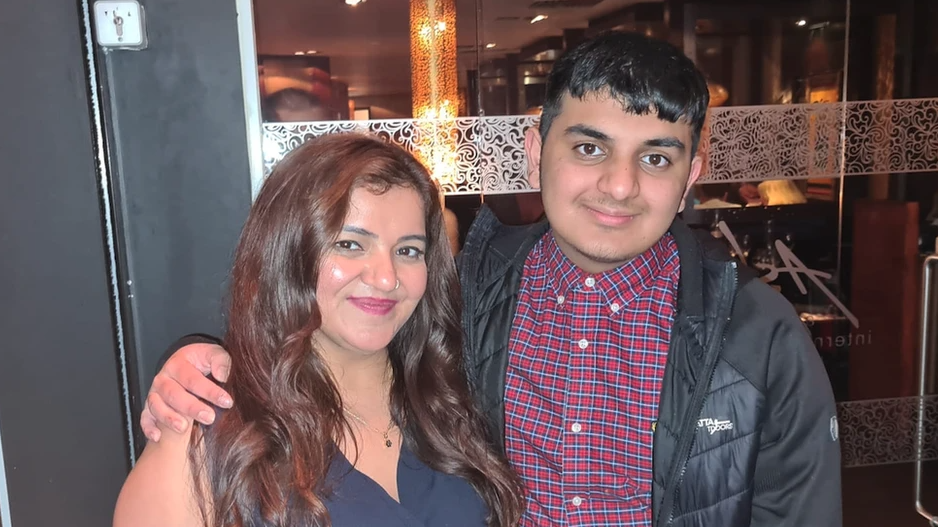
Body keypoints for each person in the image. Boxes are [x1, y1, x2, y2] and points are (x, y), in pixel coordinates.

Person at [141, 32, 842, 527]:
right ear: (537, 150)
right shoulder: (465, 298)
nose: (619, 185)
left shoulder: (760, 339)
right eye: (589, 146)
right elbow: (329, 332)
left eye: (656, 158)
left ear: (691, 176)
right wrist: (204, 360)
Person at [114, 134, 524, 527]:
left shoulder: (455, 398)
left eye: (408, 251)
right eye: (350, 244)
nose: (386, 278)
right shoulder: (206, 424)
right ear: (289, 250)